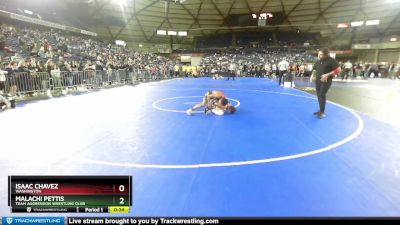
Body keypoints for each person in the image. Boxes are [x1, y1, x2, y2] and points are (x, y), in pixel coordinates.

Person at [312, 48, 341, 119]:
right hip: (318, 81)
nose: (319, 55)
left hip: (326, 81)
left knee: (322, 95)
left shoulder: (332, 61)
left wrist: (327, 75)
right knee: (319, 95)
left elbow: (338, 70)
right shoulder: (318, 61)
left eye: (321, 54)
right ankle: (320, 110)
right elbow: (315, 69)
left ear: (326, 54)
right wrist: (313, 76)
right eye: (318, 54)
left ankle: (322, 112)